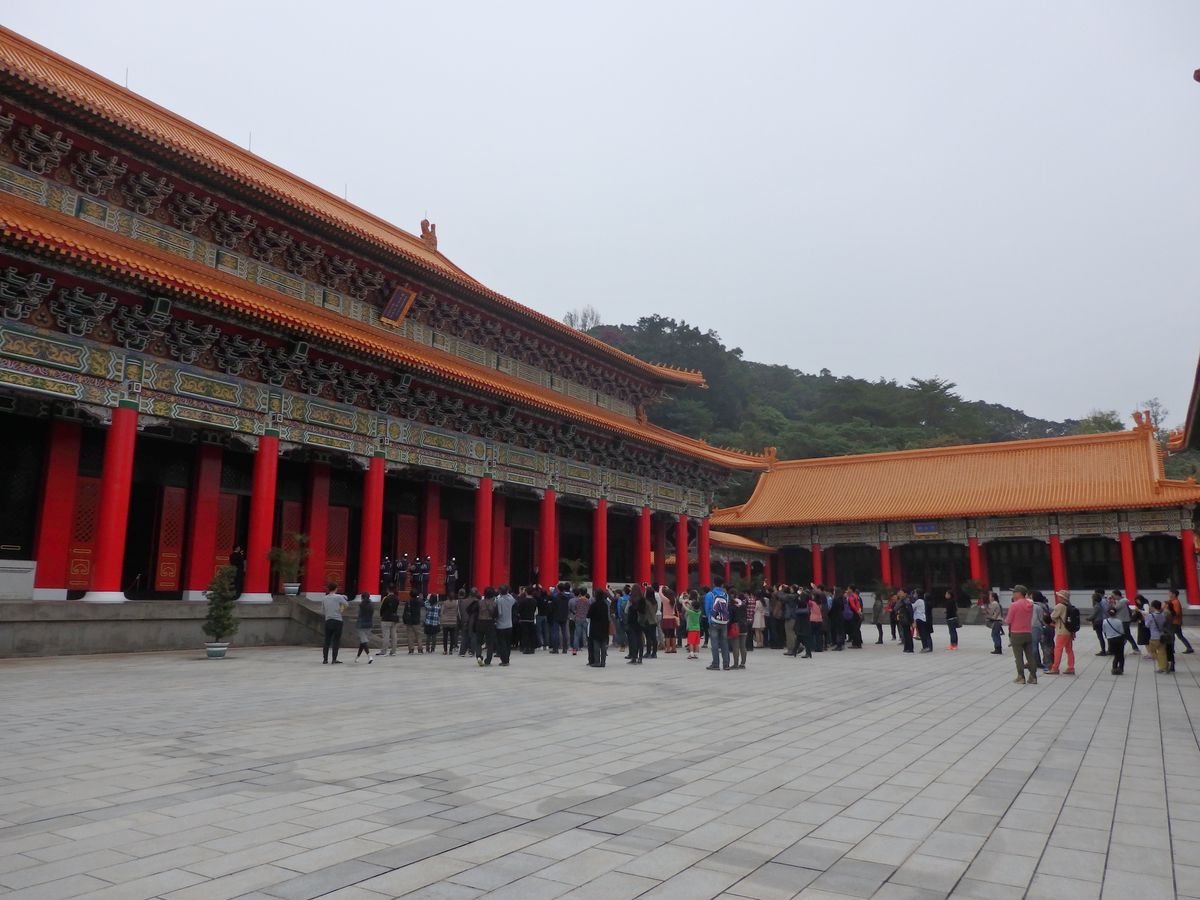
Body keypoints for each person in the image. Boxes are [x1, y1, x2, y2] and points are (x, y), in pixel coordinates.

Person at [1006, 585, 1037, 684]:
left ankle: (1021, 676)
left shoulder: (1014, 605)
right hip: (1028, 632)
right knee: (1030, 656)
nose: (1013, 594)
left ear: (1019, 593)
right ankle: (1033, 676)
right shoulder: (1030, 605)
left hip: (1016, 633)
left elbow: (1008, 620)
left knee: (1018, 657)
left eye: (1014, 592)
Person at [1047, 590, 1075, 675]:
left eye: (1059, 596)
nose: (1058, 597)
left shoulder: (1059, 606)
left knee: (1058, 649)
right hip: (1069, 631)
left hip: (1062, 631)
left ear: (1062, 597)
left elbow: (1053, 616)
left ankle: (1055, 668)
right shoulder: (1070, 606)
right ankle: (1071, 667)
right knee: (1069, 650)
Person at [321, 581, 347, 665]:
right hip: (337, 620)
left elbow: (322, 611)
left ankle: (325, 659)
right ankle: (334, 659)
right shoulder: (339, 597)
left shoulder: (324, 598)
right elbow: (346, 604)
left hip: (328, 620)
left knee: (327, 640)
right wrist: (341, 609)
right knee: (336, 640)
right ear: (336, 589)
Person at [706, 582, 731, 671]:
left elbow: (707, 608)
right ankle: (726, 664)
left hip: (713, 621)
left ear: (713, 584)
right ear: (722, 585)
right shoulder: (726, 595)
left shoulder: (710, 594)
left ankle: (715, 664)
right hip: (724, 621)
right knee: (724, 643)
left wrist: (710, 619)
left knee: (714, 643)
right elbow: (726, 607)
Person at [587, 589, 610, 667]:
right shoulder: (605, 605)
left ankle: (597, 661)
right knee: (603, 644)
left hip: (595, 626)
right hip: (604, 626)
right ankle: (603, 662)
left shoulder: (594, 605)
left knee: (596, 644)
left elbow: (588, 615)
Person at [1146, 599, 1170, 674]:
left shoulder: (1150, 616)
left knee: (1151, 651)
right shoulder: (1163, 615)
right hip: (1162, 636)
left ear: (1153, 607)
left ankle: (1162, 665)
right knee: (1162, 652)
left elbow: (1147, 625)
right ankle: (1164, 666)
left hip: (1154, 636)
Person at [475, 587, 498, 666]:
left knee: (479, 641)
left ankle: (478, 656)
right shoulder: (494, 604)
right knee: (490, 643)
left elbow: (475, 613)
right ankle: (488, 660)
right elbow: (496, 615)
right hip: (490, 623)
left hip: (480, 622)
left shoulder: (479, 602)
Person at [494, 584, 516, 666]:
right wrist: (507, 593)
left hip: (501, 625)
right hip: (509, 624)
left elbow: (499, 613)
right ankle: (507, 659)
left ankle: (504, 660)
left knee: (502, 643)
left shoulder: (499, 600)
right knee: (507, 643)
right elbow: (513, 599)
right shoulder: (511, 599)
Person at [1167, 588, 1194, 655]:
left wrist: (1168, 615)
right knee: (1179, 636)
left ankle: (1172, 650)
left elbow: (1177, 613)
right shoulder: (1172, 601)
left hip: (1174, 622)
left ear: (1174, 594)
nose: (1168, 594)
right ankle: (1189, 648)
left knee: (1172, 636)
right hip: (1175, 622)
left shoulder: (1175, 602)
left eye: (1170, 593)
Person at [1102, 606, 1126, 675]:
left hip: (1110, 639)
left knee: (1116, 655)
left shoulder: (1105, 621)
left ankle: (1114, 668)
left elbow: (1104, 631)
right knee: (1121, 655)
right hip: (1119, 639)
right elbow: (1122, 631)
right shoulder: (1119, 621)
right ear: (1116, 613)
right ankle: (1120, 668)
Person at [626, 583, 645, 664]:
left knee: (633, 640)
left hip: (632, 621)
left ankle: (634, 657)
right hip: (640, 621)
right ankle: (640, 657)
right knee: (640, 639)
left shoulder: (631, 599)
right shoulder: (642, 599)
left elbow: (627, 610)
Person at [516, 587, 538, 654]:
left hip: (524, 619)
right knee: (531, 634)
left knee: (525, 634)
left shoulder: (523, 601)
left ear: (526, 592)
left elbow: (519, 610)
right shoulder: (534, 601)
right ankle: (532, 648)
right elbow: (535, 610)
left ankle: (525, 648)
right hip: (531, 619)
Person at [729, 592, 747, 669]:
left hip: (735, 627)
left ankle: (736, 664)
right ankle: (743, 663)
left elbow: (731, 619)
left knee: (735, 647)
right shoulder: (744, 606)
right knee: (743, 646)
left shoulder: (732, 607)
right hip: (744, 626)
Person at [549, 584, 570, 654]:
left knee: (556, 633)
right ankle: (565, 649)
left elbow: (552, 608)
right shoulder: (567, 598)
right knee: (564, 632)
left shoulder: (555, 597)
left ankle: (555, 649)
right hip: (564, 616)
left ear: (558, 589)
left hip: (556, 616)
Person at [378, 590, 399, 657]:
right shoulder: (397, 599)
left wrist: (381, 615)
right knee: (394, 636)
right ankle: (393, 651)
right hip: (394, 618)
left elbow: (382, 608)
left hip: (386, 618)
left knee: (386, 636)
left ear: (388, 591)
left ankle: (384, 651)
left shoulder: (386, 598)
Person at [569, 587, 590, 656]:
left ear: (580, 593)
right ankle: (590, 647)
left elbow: (574, 609)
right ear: (586, 593)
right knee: (588, 634)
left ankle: (575, 650)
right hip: (585, 619)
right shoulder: (588, 601)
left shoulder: (577, 601)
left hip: (578, 618)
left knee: (577, 634)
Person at [354, 592, 374, 663]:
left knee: (363, 641)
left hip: (361, 624)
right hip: (369, 624)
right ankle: (357, 657)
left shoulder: (361, 605)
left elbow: (359, 614)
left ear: (361, 597)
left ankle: (369, 656)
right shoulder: (372, 605)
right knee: (363, 642)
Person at [641, 587, 659, 660]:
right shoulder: (655, 602)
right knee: (654, 637)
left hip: (647, 620)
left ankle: (648, 652)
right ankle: (654, 653)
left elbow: (644, 611)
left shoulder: (645, 601)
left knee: (648, 637)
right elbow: (655, 610)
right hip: (654, 620)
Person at [1089, 589, 1107, 655]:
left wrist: (1088, 618)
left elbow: (1094, 615)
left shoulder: (1097, 606)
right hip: (1100, 621)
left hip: (1098, 622)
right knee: (1103, 636)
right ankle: (1105, 650)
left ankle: (1103, 650)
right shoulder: (1099, 605)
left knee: (1100, 637)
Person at [685, 592, 702, 659]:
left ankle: (691, 653)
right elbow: (694, 607)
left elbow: (686, 608)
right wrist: (691, 604)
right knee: (696, 642)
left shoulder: (691, 612)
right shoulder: (699, 612)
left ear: (692, 607)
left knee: (691, 642)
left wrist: (683, 603)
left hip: (691, 629)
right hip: (698, 629)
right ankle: (696, 654)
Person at [662, 589, 680, 654]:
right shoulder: (674, 600)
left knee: (667, 634)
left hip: (666, 618)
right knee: (672, 634)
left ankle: (668, 649)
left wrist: (661, 587)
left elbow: (660, 593)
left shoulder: (666, 600)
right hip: (672, 618)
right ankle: (674, 648)